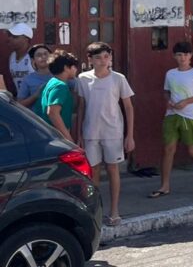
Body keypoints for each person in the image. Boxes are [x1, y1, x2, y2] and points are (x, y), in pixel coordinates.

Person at [75, 42, 135, 226]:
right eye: (98, 57)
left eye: (106, 57)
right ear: (90, 59)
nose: (103, 61)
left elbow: (128, 107)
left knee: (113, 169)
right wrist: (78, 134)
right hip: (90, 132)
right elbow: (81, 107)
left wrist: (129, 135)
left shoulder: (118, 78)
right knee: (92, 172)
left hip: (113, 131)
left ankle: (114, 210)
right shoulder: (83, 78)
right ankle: (94, 210)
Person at [152, 41, 193, 198]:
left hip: (191, 115)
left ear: (190, 56)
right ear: (174, 56)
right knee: (168, 149)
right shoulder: (170, 73)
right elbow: (166, 91)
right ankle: (164, 185)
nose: (182, 58)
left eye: (186, 55)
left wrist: (186, 102)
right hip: (172, 115)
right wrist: (169, 101)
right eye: (179, 55)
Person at [36, 50, 80, 142]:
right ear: (66, 68)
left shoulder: (51, 82)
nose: (76, 69)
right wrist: (68, 139)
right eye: (73, 66)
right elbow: (52, 113)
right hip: (57, 138)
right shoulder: (60, 86)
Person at [16, 44, 52, 108]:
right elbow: (19, 105)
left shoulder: (61, 75)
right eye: (39, 55)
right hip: (35, 117)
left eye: (46, 54)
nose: (43, 57)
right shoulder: (28, 79)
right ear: (33, 60)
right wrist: (35, 95)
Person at [6, 23, 34, 95]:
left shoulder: (34, 55)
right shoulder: (12, 57)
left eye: (15, 37)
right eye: (9, 36)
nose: (10, 39)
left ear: (26, 39)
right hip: (21, 101)